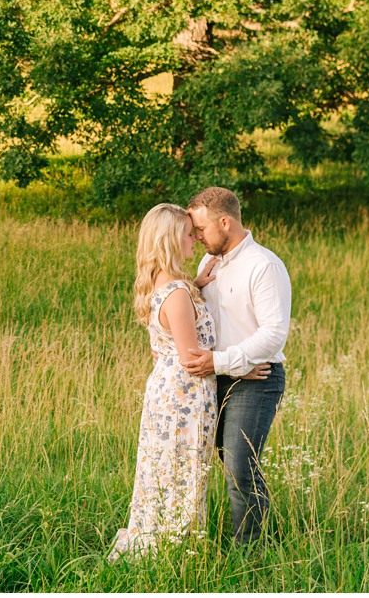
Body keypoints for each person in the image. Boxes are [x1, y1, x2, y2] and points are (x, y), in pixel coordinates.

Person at [110, 203, 270, 560]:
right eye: (187, 234)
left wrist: (194, 287)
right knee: (180, 473)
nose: (194, 240)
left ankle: (164, 542)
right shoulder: (177, 294)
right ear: (170, 240)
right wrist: (242, 369)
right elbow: (191, 360)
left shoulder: (167, 285)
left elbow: (165, 346)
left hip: (167, 394)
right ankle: (170, 551)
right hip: (183, 400)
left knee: (165, 471)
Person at [180, 186, 291, 544]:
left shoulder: (264, 266)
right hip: (218, 376)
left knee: (241, 468)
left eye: (201, 230)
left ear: (225, 222)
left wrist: (225, 362)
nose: (197, 238)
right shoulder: (208, 263)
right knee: (217, 461)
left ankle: (251, 552)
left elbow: (273, 334)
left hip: (255, 380)